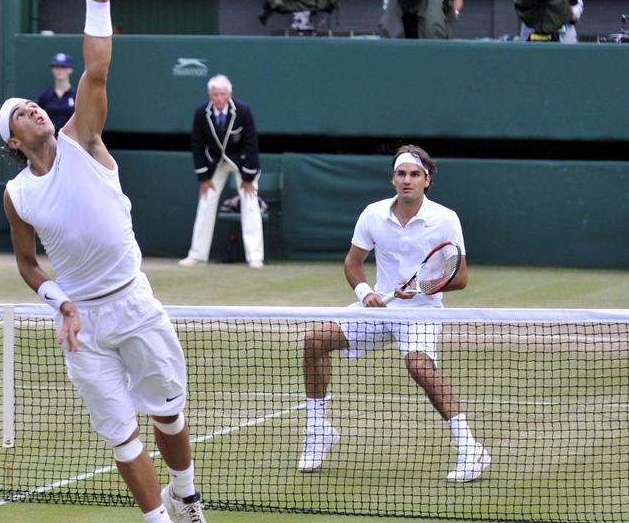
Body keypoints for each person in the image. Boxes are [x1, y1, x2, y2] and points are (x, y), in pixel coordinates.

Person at [0, 0, 207, 523]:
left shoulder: (83, 139)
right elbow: (28, 265)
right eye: (20, 115)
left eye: (34, 107)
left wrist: (96, 1)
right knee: (121, 437)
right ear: (11, 141)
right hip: (83, 323)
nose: (33, 112)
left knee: (169, 415)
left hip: (134, 303)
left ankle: (187, 494)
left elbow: (97, 67)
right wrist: (60, 301)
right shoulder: (17, 195)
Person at [297, 145, 490, 483]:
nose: (407, 180)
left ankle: (471, 448)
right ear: (393, 178)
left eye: (415, 174)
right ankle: (318, 431)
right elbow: (352, 264)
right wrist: (366, 292)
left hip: (422, 313)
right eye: (401, 174)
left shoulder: (445, 219)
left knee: (418, 365)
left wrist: (419, 289)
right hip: (378, 309)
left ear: (426, 180)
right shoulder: (372, 214)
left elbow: (459, 278)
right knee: (315, 340)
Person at [178, 75, 263, 269]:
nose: (219, 98)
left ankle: (255, 256)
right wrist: (204, 178)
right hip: (215, 162)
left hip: (241, 162)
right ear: (210, 95)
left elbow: (251, 144)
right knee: (206, 201)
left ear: (229, 94)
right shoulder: (201, 113)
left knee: (250, 202)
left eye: (223, 94)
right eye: (215, 94)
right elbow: (197, 145)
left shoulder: (243, 110)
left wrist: (248, 178)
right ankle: (198, 255)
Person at [35, 52, 77, 133]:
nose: (59, 70)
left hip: (70, 138)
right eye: (56, 67)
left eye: (63, 67)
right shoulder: (45, 96)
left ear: (70, 69)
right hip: (49, 138)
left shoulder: (76, 95)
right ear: (52, 69)